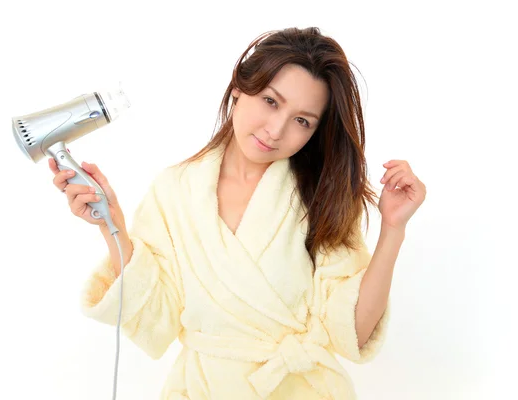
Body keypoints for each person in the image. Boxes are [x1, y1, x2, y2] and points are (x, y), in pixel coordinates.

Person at [49, 27, 426, 400]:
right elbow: (154, 316)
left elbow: (353, 332)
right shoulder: (175, 191)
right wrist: (110, 224)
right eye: (270, 101)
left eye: (302, 121)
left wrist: (393, 229)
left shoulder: (321, 199)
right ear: (238, 89)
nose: (275, 130)